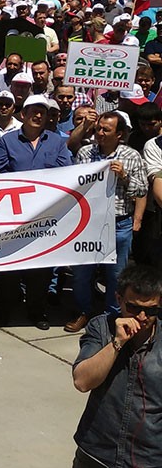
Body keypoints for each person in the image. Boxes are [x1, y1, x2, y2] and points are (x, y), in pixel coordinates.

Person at [71, 263, 162, 468]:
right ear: (119, 299)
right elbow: (82, 381)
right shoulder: (101, 328)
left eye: (151, 310)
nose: (141, 317)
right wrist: (117, 343)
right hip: (97, 455)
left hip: (148, 461)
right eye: (134, 308)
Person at [0, 94, 72, 329]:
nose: (38, 116)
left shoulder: (56, 142)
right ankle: (4, 310)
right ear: (23, 115)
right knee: (10, 267)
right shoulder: (7, 141)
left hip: (45, 216)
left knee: (41, 267)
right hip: (14, 215)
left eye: (43, 112)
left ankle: (37, 311)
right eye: (33, 112)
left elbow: (65, 173)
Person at [68, 113, 149, 333]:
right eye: (98, 129)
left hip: (118, 224)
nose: (100, 134)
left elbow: (141, 190)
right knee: (82, 273)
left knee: (116, 276)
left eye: (106, 130)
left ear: (119, 134)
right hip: (88, 224)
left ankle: (111, 315)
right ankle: (83, 311)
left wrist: (124, 177)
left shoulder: (131, 156)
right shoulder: (86, 153)